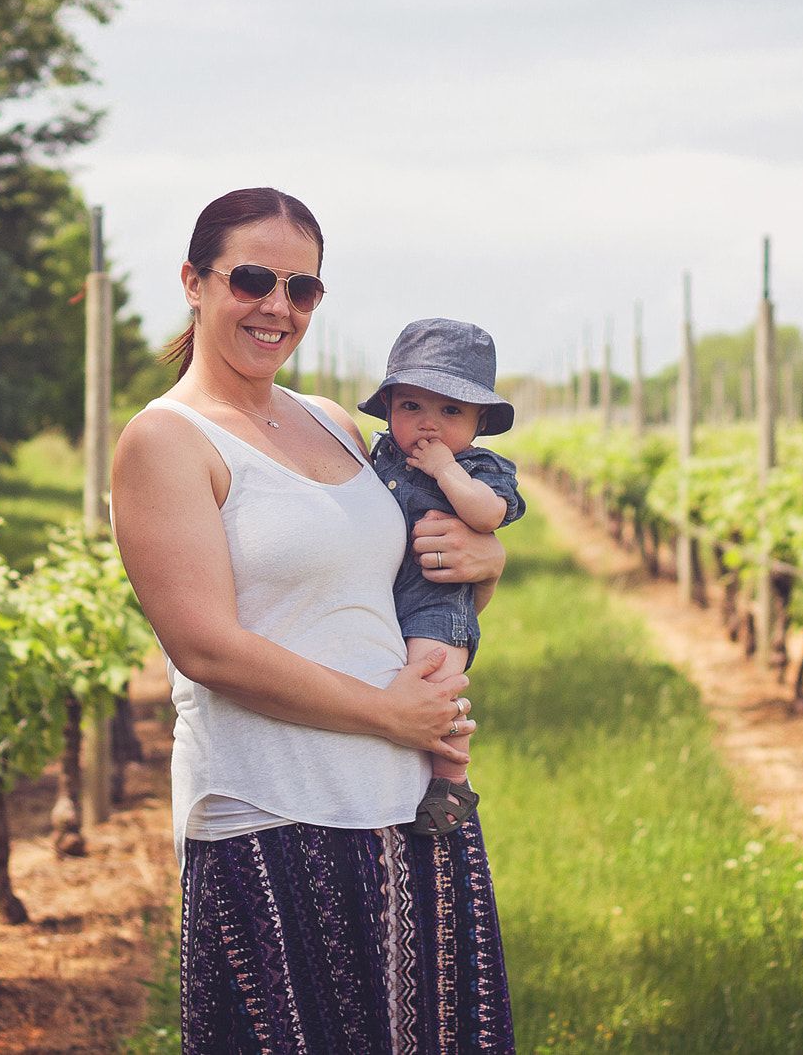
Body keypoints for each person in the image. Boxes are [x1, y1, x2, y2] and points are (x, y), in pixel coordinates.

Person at [112, 187, 517, 1053]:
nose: (277, 306)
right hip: (273, 806)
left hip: (404, 799)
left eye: (302, 289)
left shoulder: (333, 423)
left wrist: (488, 563)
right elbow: (206, 646)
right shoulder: (168, 441)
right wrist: (386, 711)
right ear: (194, 280)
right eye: (253, 278)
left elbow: (405, 578)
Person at [357, 319, 524, 839]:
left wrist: (446, 470)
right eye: (411, 406)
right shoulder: (377, 457)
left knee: (435, 684)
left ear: (478, 422)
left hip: (435, 599)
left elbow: (487, 516)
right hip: (379, 593)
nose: (428, 424)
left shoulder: (479, 468)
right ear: (388, 410)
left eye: (450, 411)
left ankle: (452, 780)